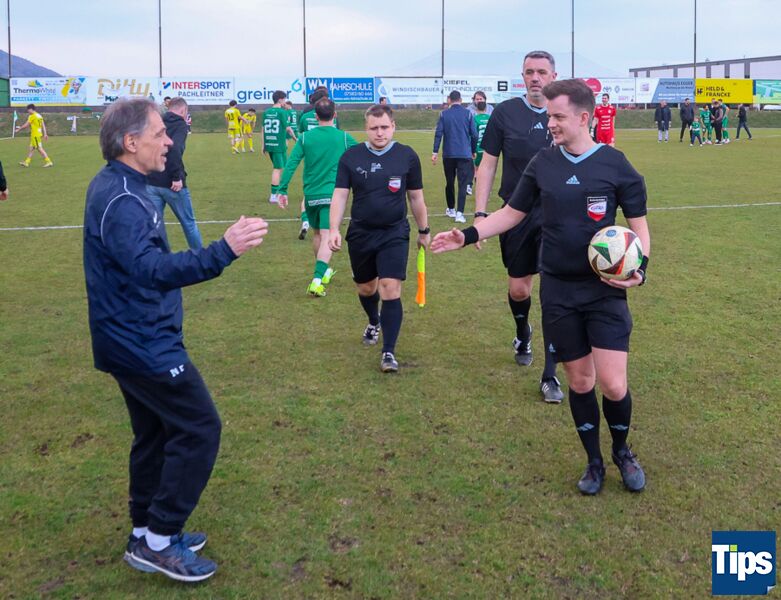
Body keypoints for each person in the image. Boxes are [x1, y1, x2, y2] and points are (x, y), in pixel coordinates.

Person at [432, 78, 650, 496]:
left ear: (583, 118)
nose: (550, 123)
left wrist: (640, 268)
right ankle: (594, 461)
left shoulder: (616, 164)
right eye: (549, 116)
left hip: (604, 292)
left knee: (613, 384)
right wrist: (469, 234)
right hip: (559, 291)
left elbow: (639, 227)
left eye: (557, 117)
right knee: (580, 382)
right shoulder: (543, 163)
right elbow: (512, 213)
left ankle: (622, 451)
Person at [83, 98, 268, 582]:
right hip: (141, 342)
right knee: (200, 427)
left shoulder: (123, 186)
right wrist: (223, 250)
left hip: (129, 336)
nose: (169, 141)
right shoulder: (124, 200)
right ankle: (161, 540)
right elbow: (151, 271)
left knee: (156, 434)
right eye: (160, 133)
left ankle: (145, 531)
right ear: (131, 142)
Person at [473, 49, 564, 403]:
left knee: (554, 295)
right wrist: (481, 214)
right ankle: (523, 333)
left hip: (558, 216)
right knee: (520, 290)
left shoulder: (565, 113)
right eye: (529, 72)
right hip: (516, 214)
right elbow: (488, 164)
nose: (535, 77)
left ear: (554, 76)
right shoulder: (505, 113)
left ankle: (550, 375)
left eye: (542, 71)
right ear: (522, 76)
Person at [329, 104, 430, 373]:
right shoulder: (351, 157)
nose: (380, 133)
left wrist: (424, 230)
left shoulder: (407, 156)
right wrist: (333, 228)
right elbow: (340, 195)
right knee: (366, 288)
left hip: (394, 232)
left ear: (393, 126)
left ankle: (388, 352)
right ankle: (374, 320)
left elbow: (416, 197)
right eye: (374, 128)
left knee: (390, 288)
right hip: (361, 233)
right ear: (366, 128)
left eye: (385, 127)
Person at [277, 98, 357, 296]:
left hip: (311, 195)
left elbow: (291, 163)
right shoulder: (344, 137)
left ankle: (324, 271)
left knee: (318, 235)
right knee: (327, 235)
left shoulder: (305, 138)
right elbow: (363, 154)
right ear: (335, 115)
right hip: (333, 195)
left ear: (315, 116)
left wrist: (282, 189)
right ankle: (316, 281)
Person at [146, 97, 203, 250]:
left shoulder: (156, 122)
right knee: (189, 224)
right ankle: (199, 257)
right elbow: (175, 149)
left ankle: (154, 257)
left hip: (151, 181)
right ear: (183, 110)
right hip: (172, 184)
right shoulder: (180, 125)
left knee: (154, 224)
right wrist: (176, 177)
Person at [432, 90, 478, 224]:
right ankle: (459, 213)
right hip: (464, 153)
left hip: (449, 154)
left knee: (450, 182)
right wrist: (473, 150)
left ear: (449, 100)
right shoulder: (468, 114)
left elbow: (438, 133)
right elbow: (474, 134)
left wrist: (435, 152)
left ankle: (451, 209)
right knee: (462, 184)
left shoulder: (444, 114)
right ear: (461, 100)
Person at [262, 90, 297, 204]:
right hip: (278, 144)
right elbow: (288, 128)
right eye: (284, 99)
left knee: (282, 167)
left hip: (270, 143)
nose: (285, 101)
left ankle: (278, 192)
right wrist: (296, 139)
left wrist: (263, 145)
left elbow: (263, 129)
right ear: (280, 99)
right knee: (277, 169)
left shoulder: (266, 112)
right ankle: (273, 195)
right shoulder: (282, 112)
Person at [472, 92, 491, 194]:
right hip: (488, 149)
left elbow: (473, 135)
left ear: (476, 109)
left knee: (476, 170)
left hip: (478, 148)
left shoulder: (475, 119)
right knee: (487, 170)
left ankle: (479, 190)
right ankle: (487, 191)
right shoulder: (490, 118)